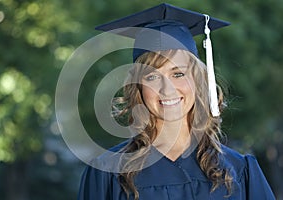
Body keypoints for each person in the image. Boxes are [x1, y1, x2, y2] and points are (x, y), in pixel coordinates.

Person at [78, 3, 275, 200]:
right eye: (152, 77)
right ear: (138, 87)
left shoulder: (239, 171)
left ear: (198, 81)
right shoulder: (107, 173)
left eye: (178, 74)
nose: (167, 89)